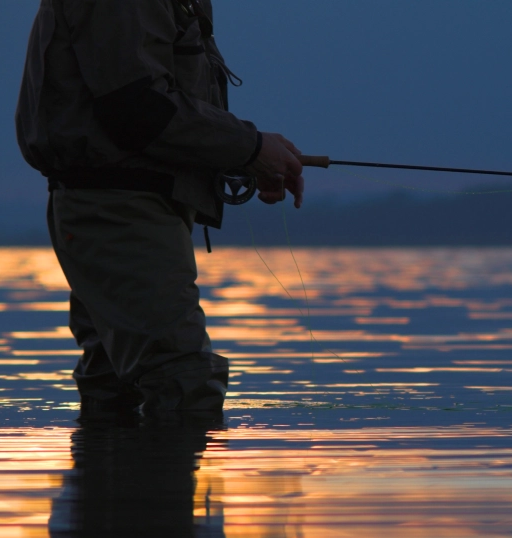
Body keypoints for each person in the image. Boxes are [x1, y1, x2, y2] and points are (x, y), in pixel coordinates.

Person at [15, 0, 304, 414]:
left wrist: (248, 156)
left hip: (128, 211)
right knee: (182, 383)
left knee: (117, 392)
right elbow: (135, 107)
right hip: (121, 213)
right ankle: (160, 474)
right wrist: (251, 147)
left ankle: (125, 475)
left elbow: (151, 107)